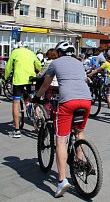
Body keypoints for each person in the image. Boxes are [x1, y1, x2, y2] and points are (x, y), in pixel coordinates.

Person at [33, 41, 91, 198]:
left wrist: (36, 97)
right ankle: (79, 163)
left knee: (61, 140)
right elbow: (82, 80)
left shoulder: (55, 63)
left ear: (59, 52)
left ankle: (61, 181)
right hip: (86, 100)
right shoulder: (79, 63)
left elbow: (45, 84)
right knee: (79, 132)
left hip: (67, 101)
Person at [5, 42, 41, 138]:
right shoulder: (31, 52)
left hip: (19, 80)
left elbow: (8, 67)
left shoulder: (15, 52)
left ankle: (16, 130)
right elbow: (38, 65)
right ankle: (38, 118)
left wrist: (6, 77)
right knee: (32, 99)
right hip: (31, 79)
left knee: (16, 103)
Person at [88, 50, 110, 123]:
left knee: (108, 97)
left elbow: (98, 69)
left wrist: (90, 74)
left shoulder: (107, 63)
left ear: (107, 57)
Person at [37, 49, 58, 117]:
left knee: (47, 101)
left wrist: (36, 76)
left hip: (50, 84)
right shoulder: (59, 62)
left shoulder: (48, 62)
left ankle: (47, 115)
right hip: (59, 85)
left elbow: (41, 74)